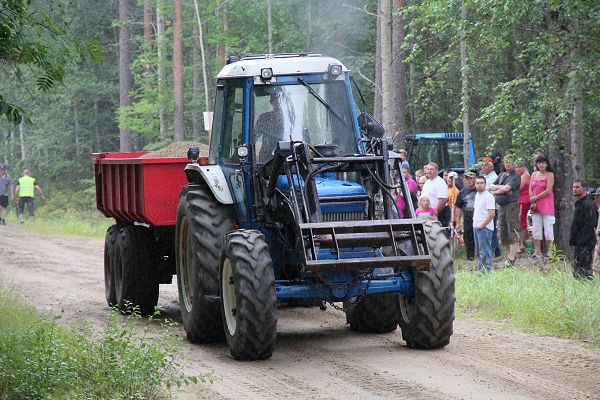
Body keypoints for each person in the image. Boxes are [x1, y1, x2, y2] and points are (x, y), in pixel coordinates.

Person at [490, 156, 521, 266]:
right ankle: (509, 256)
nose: (508, 164)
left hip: (511, 205)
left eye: (510, 162)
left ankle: (512, 257)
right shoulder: (502, 175)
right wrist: (501, 189)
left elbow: (507, 189)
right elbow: (491, 186)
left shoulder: (516, 176)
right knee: (503, 231)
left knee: (512, 229)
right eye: (506, 162)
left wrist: (498, 191)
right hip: (501, 206)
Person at [569, 179, 598, 279]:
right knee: (578, 269)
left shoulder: (588, 204)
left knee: (585, 268)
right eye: (574, 187)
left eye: (578, 187)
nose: (575, 189)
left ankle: (587, 287)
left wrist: (583, 241)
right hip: (579, 242)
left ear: (584, 188)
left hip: (586, 242)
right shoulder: (580, 203)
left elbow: (590, 224)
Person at [529, 154, 555, 259]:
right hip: (535, 205)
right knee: (536, 228)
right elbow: (530, 189)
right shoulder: (534, 174)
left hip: (547, 204)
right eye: (539, 162)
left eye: (543, 162)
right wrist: (533, 201)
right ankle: (537, 251)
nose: (541, 164)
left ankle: (549, 251)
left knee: (548, 228)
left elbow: (548, 190)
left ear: (547, 164)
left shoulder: (550, 174)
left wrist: (535, 198)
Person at [479, 156, 501, 257]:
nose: (483, 167)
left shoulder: (494, 178)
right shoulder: (486, 177)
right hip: (485, 207)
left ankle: (494, 250)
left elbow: (492, 193)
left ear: (490, 167)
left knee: (490, 229)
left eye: (485, 165)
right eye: (482, 165)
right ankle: (494, 250)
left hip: (491, 207)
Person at [473, 176, 496, 273]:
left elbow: (492, 213)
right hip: (476, 226)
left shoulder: (488, 196)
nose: (479, 184)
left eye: (481, 183)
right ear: (475, 184)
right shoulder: (477, 195)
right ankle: (481, 270)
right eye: (477, 183)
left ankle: (487, 271)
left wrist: (483, 225)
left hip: (485, 228)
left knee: (485, 251)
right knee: (479, 251)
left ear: (485, 184)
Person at [454, 171, 477, 261]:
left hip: (479, 218)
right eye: (467, 179)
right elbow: (458, 207)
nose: (468, 180)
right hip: (467, 218)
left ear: (475, 179)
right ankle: (470, 256)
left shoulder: (479, 190)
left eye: (470, 178)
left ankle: (481, 254)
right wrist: (458, 222)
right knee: (468, 237)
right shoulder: (462, 192)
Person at [255, 92, 284, 162]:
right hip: (266, 158)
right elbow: (254, 136)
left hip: (287, 156)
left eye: (280, 101)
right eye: (276, 101)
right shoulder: (264, 118)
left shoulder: (290, 118)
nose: (278, 104)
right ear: (271, 102)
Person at [422, 162, 449, 226]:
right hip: (428, 214)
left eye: (432, 169)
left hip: (439, 213)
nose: (429, 171)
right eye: (428, 169)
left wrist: (435, 213)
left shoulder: (440, 182)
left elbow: (443, 200)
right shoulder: (427, 182)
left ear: (437, 171)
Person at [515, 159, 531, 251]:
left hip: (524, 201)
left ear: (524, 167)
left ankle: (522, 243)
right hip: (520, 200)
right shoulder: (520, 176)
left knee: (521, 221)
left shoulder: (525, 176)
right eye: (516, 167)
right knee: (521, 221)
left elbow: (518, 188)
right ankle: (523, 242)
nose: (518, 169)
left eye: (520, 167)